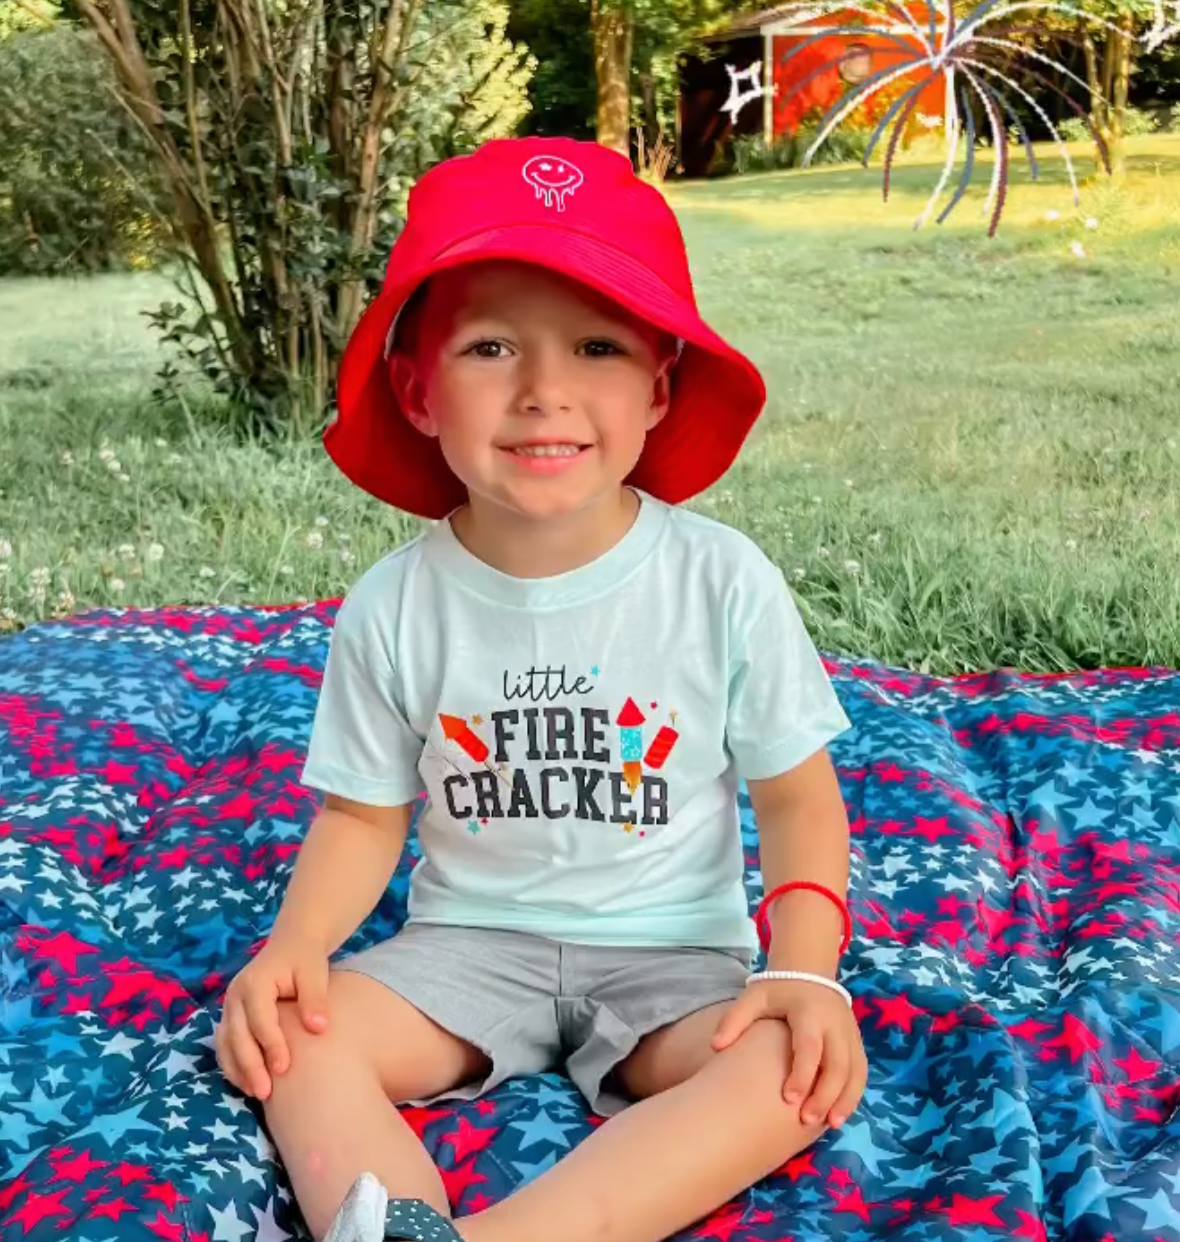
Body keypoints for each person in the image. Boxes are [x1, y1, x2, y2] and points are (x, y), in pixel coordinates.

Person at [214, 136, 866, 1242]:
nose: (545, 392)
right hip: (467, 948)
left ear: (660, 389)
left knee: (788, 1070)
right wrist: (295, 948)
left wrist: (806, 974)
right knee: (292, 1043)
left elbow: (799, 800)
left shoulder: (720, 580)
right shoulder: (394, 604)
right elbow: (364, 817)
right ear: (418, 393)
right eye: (491, 347)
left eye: (598, 346)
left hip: (677, 961)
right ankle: (393, 1223)